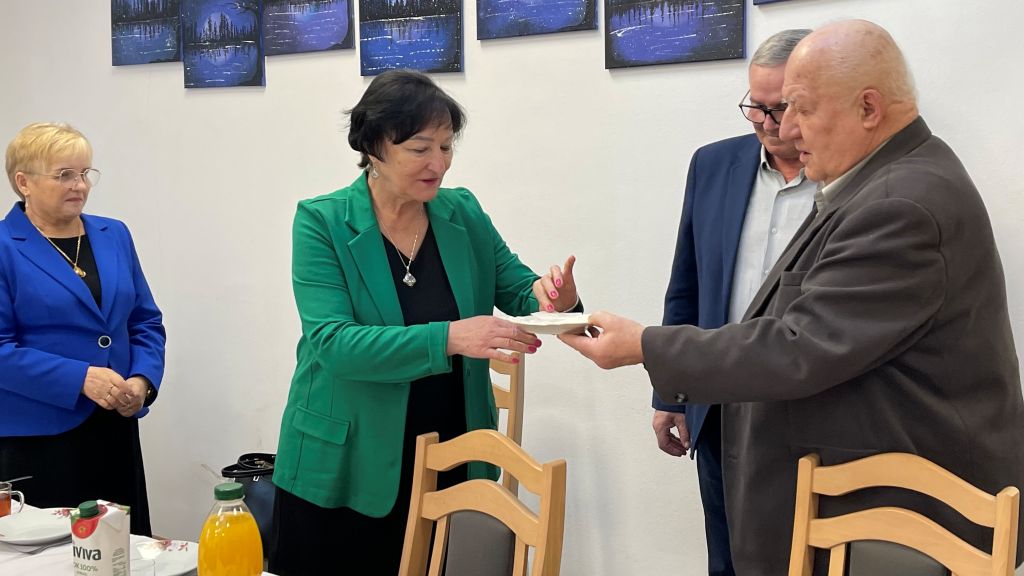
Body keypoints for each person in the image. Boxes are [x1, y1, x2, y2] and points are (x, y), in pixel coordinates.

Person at [562, 20, 1024, 574]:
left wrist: (645, 346)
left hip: (896, 515)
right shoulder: (878, 181)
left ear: (868, 108)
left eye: (799, 108)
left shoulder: (899, 202)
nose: (785, 129)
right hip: (850, 496)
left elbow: (800, 345)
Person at [269, 69, 581, 575]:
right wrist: (451, 337)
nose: (439, 163)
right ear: (373, 147)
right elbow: (334, 344)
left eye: (447, 146)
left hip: (450, 452)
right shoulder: (322, 222)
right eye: (420, 149)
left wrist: (553, 297)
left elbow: (519, 289)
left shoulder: (463, 213)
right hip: (345, 464)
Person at [652, 29, 814, 576]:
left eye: (780, 109)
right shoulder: (713, 165)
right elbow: (688, 284)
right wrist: (672, 394)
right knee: (726, 560)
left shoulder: (847, 176)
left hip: (808, 413)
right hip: (719, 408)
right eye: (755, 107)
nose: (766, 123)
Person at [0, 122, 166, 536]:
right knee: (52, 558)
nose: (79, 185)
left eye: (85, 173)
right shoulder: (4, 246)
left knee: (123, 550)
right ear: (24, 182)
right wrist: (81, 378)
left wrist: (143, 380)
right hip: (39, 437)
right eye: (64, 175)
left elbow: (144, 320)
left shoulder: (114, 234)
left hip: (114, 426)